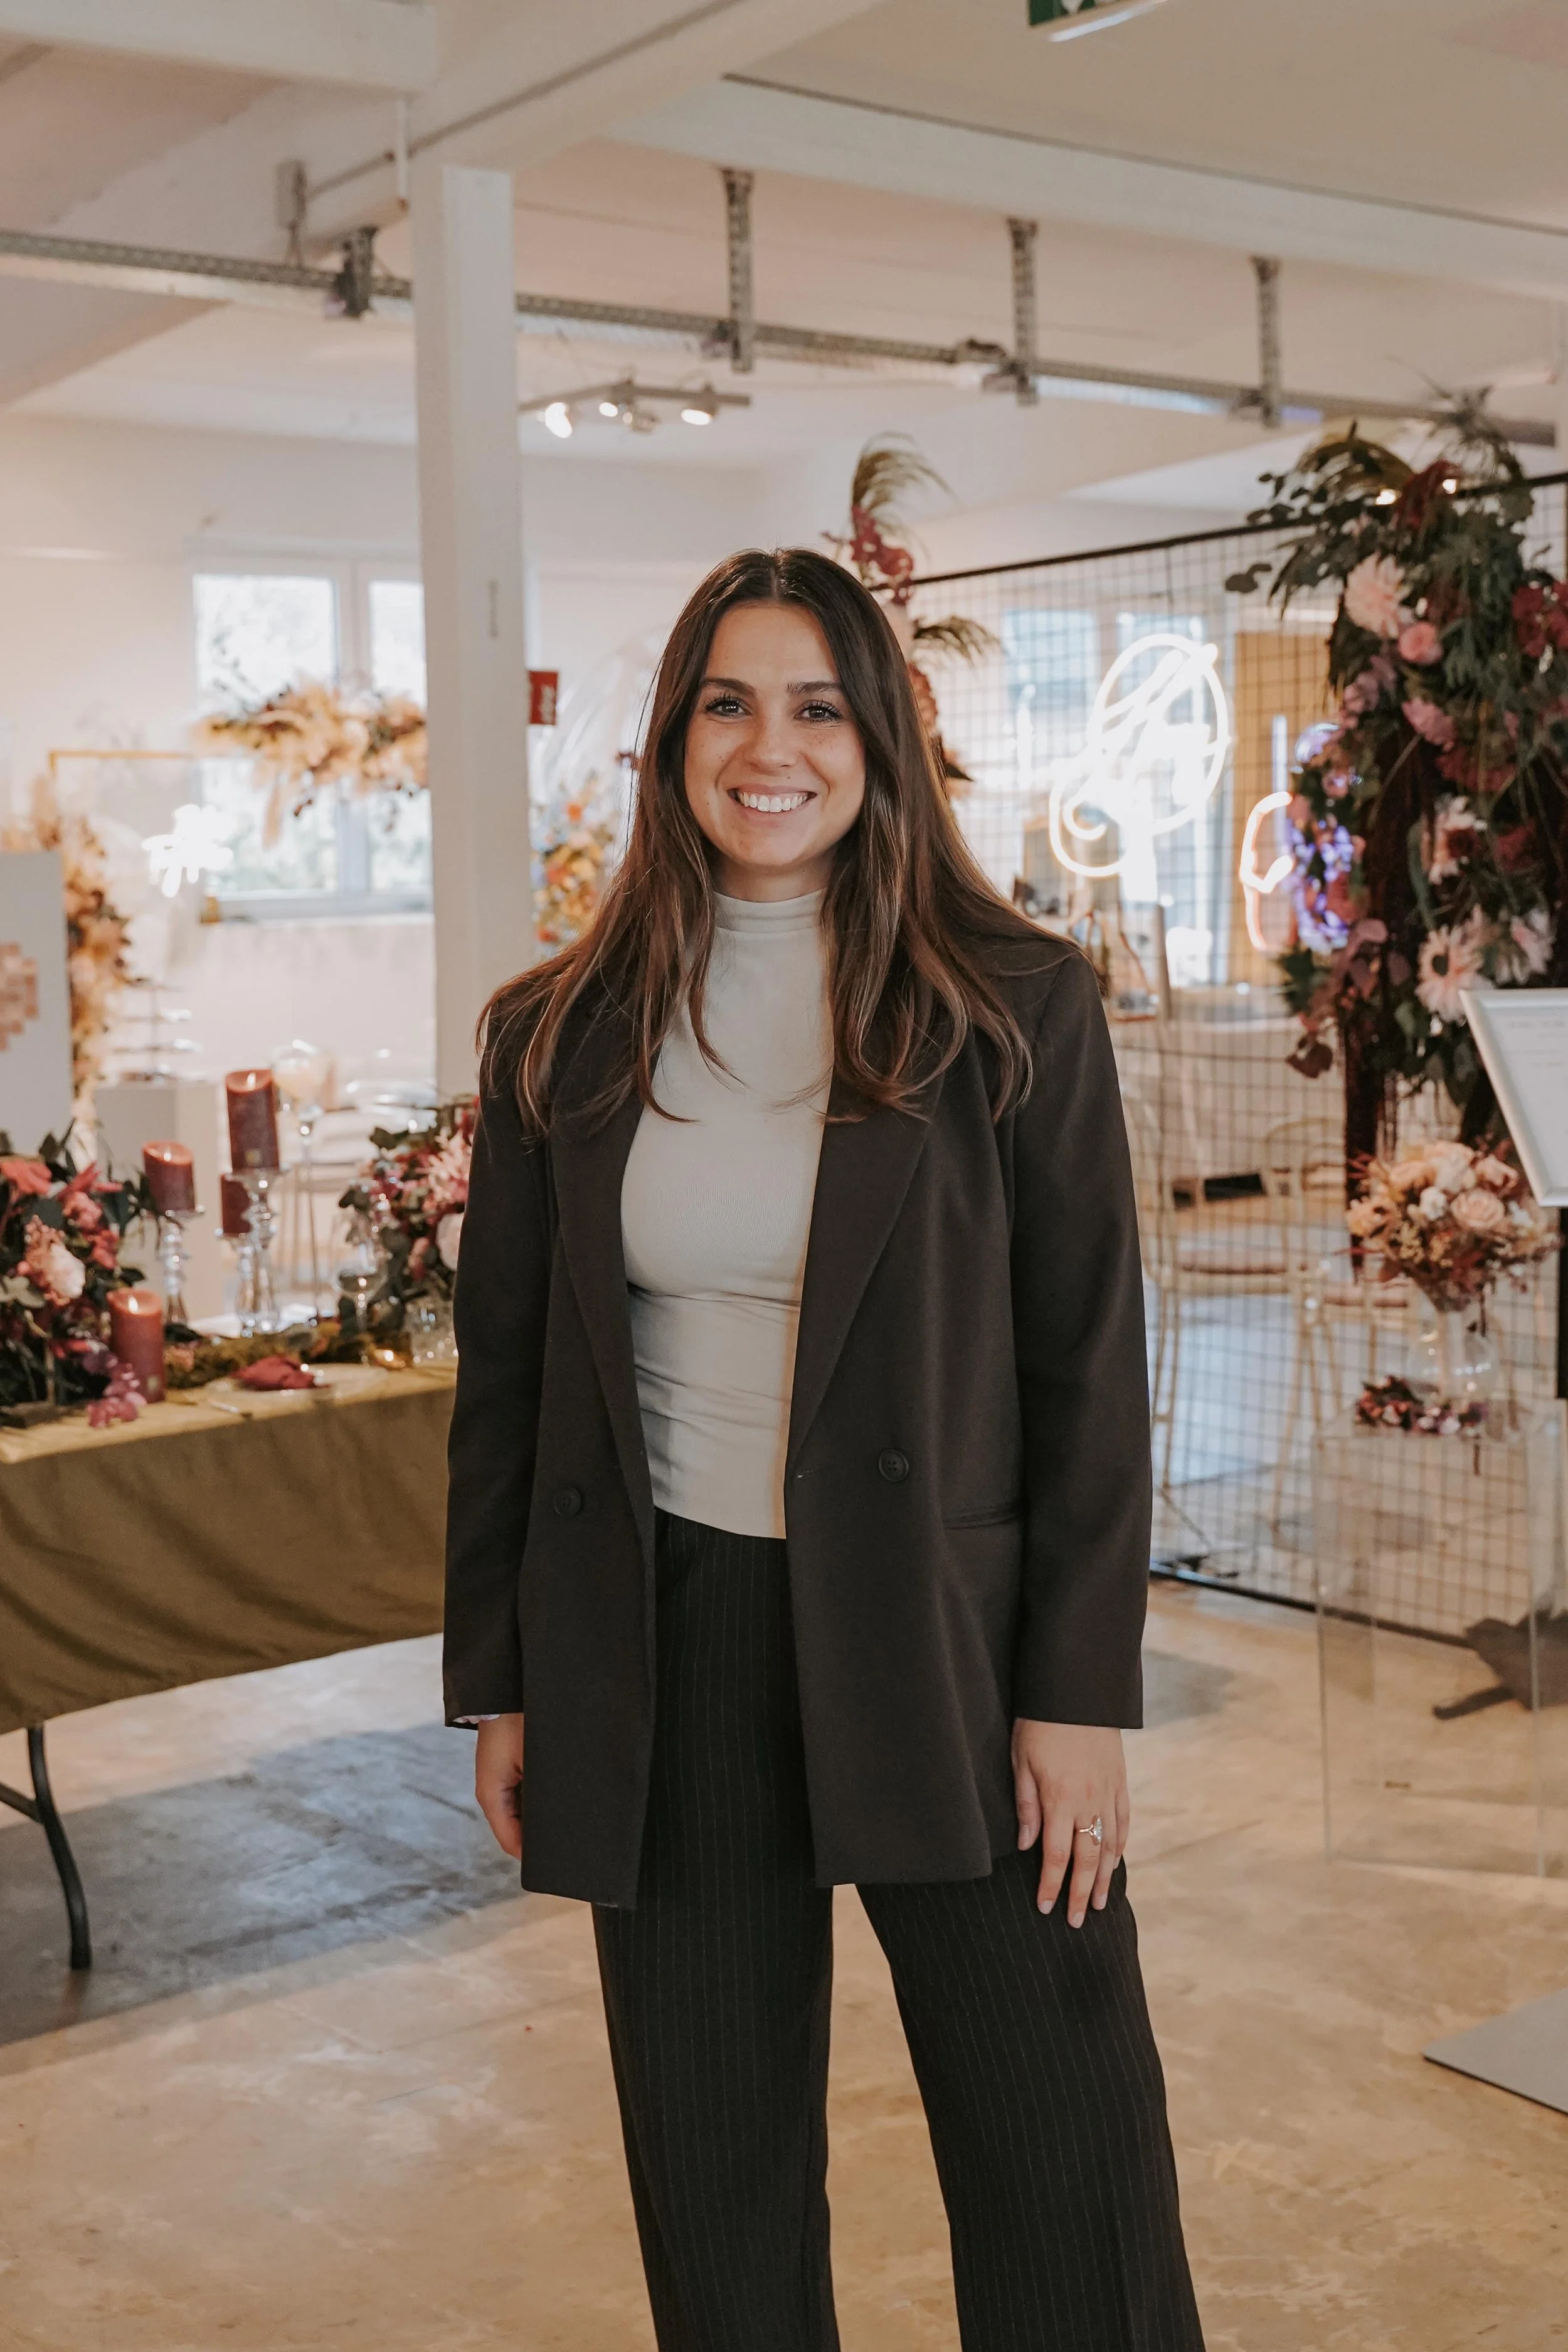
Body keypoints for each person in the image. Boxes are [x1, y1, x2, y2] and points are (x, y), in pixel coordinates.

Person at [445, 546, 1205, 2351]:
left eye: (811, 702)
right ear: (670, 739)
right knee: (716, 2176)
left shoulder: (1014, 1003)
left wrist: (1077, 1691)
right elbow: (508, 1384)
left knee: (1061, 2137)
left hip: (941, 1636)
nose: (765, 745)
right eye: (725, 700)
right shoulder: (557, 1033)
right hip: (667, 1636)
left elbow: (1089, 1367)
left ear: (876, 735)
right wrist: (507, 1681)